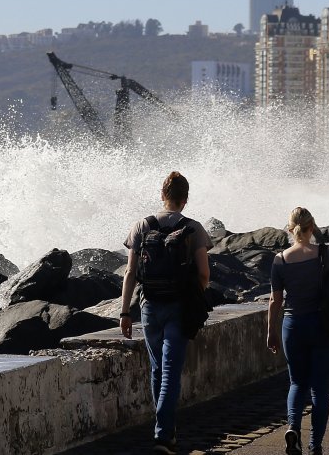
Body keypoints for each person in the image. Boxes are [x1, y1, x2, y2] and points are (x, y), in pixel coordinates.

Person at [120, 171, 212, 455]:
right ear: (185, 200)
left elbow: (130, 273)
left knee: (158, 368)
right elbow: (205, 274)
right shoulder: (193, 228)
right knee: (171, 370)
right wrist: (194, 295)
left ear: (162, 195)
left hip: (149, 307)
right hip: (179, 307)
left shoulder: (141, 226)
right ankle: (163, 435)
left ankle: (166, 432)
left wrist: (125, 312)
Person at [266, 207, 329, 455]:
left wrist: (271, 332)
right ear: (312, 226)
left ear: (290, 228)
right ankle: (315, 445)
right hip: (323, 326)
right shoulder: (326, 255)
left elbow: (275, 301)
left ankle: (293, 428)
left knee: (297, 382)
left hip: (292, 327)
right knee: (319, 388)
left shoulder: (280, 260)